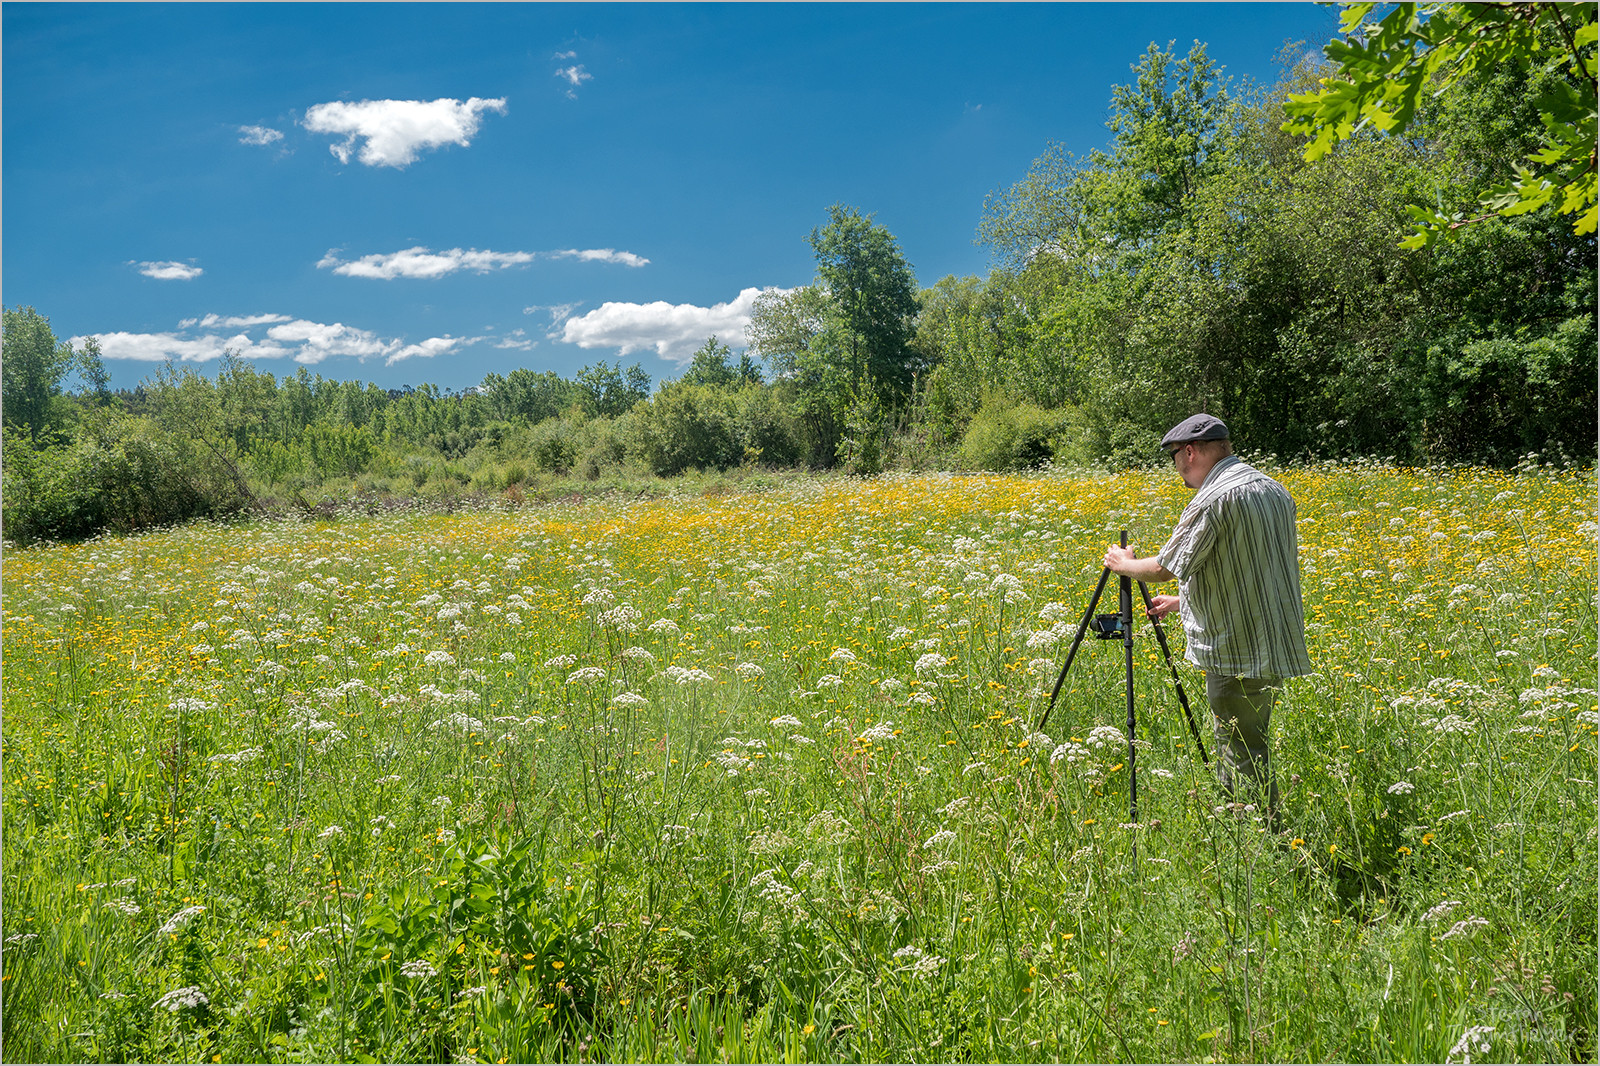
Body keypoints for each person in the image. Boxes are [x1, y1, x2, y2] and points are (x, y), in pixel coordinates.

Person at [1102, 413, 1312, 825]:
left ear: (1191, 451)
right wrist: (1183, 602)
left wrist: (1124, 564)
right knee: (1253, 740)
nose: (1178, 468)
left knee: (1240, 749)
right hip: (1273, 641)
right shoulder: (1273, 490)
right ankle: (1255, 825)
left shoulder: (1213, 499)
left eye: (1176, 458)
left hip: (1236, 648)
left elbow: (1165, 566)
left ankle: (1252, 839)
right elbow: (1252, 566)